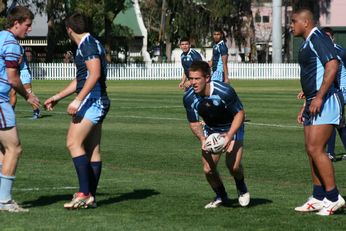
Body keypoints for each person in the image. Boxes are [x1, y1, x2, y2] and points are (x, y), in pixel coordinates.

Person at [44, 12, 110, 209]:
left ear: (69, 29)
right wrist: (58, 96)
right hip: (97, 100)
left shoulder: (87, 45)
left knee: (73, 143)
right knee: (92, 149)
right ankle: (91, 197)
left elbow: (95, 74)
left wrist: (77, 101)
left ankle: (83, 193)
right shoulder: (90, 43)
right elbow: (82, 78)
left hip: (93, 101)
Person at [291, 8, 345, 216]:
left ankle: (334, 198)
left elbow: (332, 65)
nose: (291, 26)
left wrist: (320, 97)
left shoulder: (318, 38)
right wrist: (306, 103)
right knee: (310, 149)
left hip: (326, 101)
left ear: (305, 22)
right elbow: (314, 75)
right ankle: (318, 196)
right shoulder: (308, 42)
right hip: (314, 102)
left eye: (294, 21)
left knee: (317, 149)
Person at [183, 60, 250, 208]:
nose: (193, 82)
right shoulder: (189, 98)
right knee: (208, 169)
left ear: (207, 78)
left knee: (233, 167)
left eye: (197, 78)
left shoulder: (224, 91)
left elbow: (240, 114)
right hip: (212, 129)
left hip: (232, 127)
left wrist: (229, 136)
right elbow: (194, 123)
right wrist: (202, 139)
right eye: (191, 78)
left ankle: (241, 186)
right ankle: (221, 195)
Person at [0, 5, 40, 212]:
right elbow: (12, 77)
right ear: (16, 23)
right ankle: (4, 201)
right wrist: (28, 96)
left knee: (3, 151)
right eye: (27, 25)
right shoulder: (11, 44)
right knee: (15, 148)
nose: (29, 29)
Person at [320, 27, 346, 161]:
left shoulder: (339, 51)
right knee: (338, 123)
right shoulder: (322, 50)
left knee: (333, 121)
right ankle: (330, 152)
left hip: (340, 91)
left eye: (328, 37)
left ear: (332, 38)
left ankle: (330, 153)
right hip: (330, 91)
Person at [9, 48, 41, 119]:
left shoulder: (17, 47)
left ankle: (37, 111)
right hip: (15, 72)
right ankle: (11, 113)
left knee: (28, 93)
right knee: (12, 93)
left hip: (24, 72)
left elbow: (19, 61)